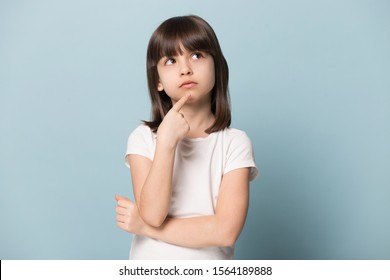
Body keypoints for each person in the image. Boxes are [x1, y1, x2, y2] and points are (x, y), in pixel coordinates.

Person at [115, 15, 258, 260]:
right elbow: (153, 213)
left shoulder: (234, 143)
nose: (185, 69)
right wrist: (167, 143)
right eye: (170, 60)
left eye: (197, 55)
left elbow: (225, 232)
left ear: (217, 67)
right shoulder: (143, 138)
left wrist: (143, 227)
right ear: (158, 81)